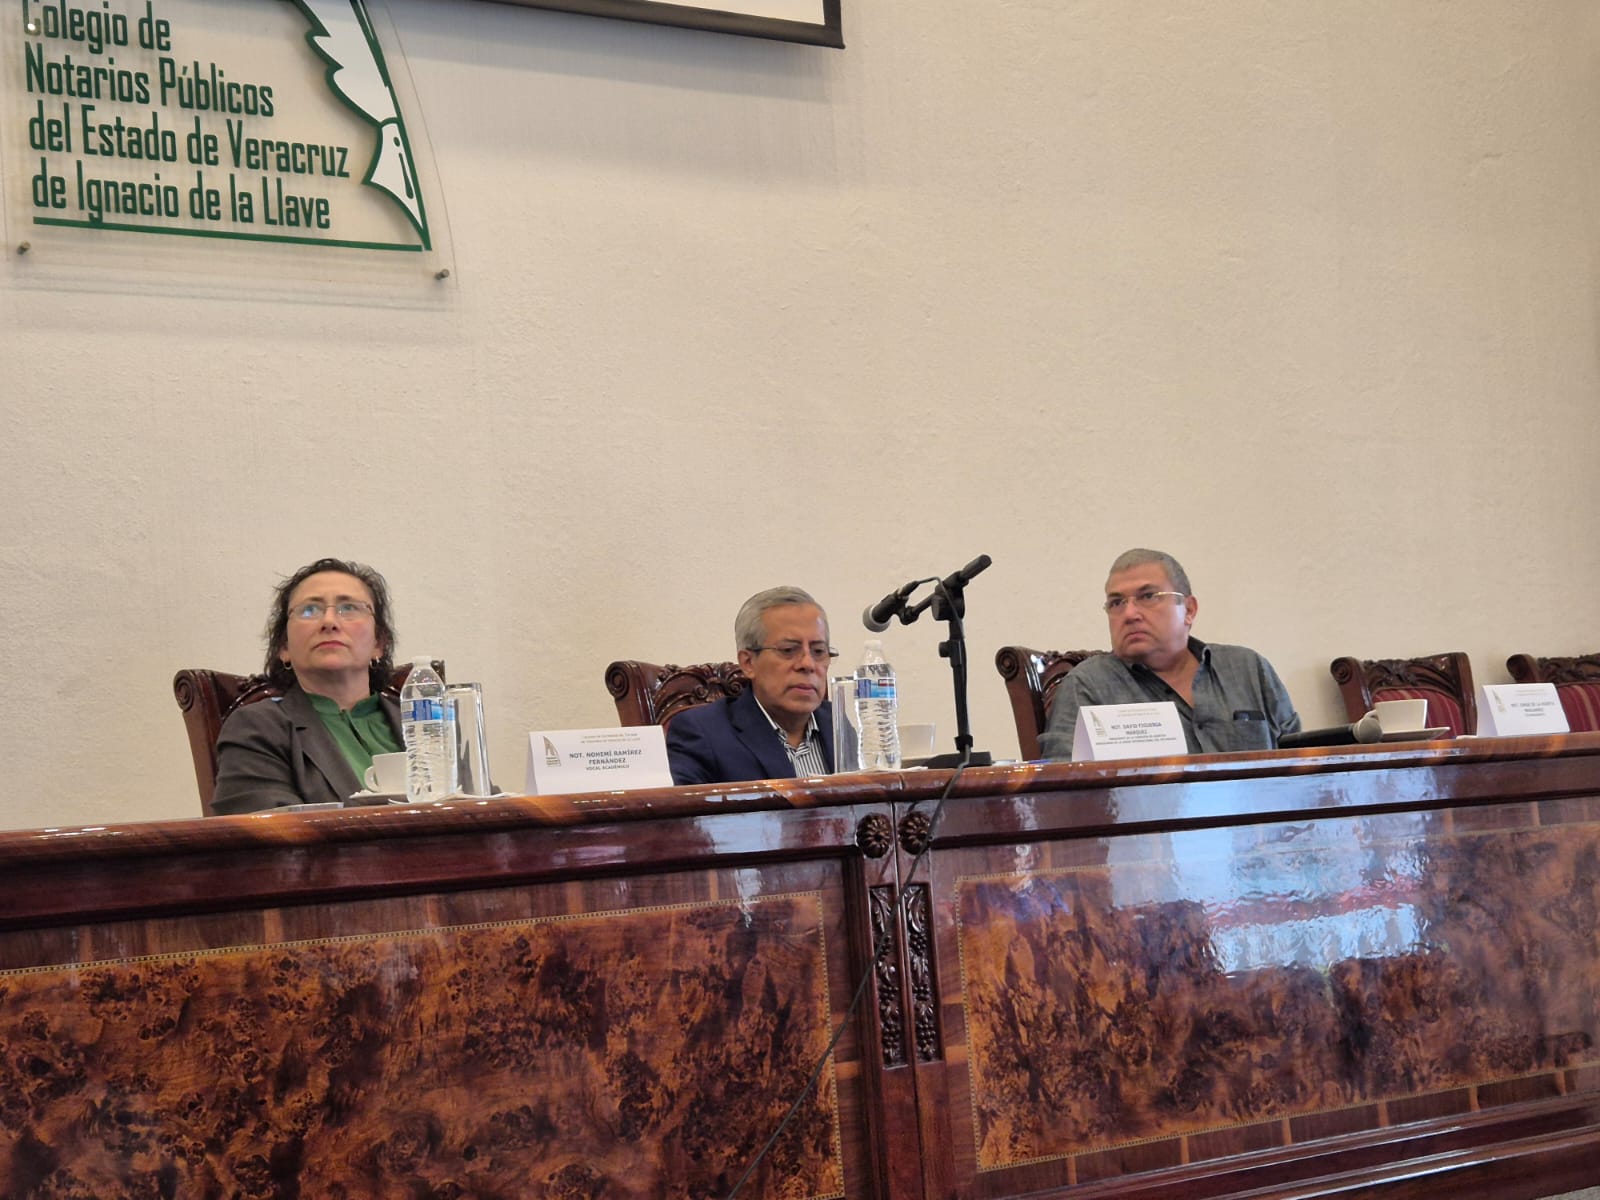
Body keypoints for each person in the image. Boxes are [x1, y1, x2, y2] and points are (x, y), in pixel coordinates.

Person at [1039, 548, 1301, 759]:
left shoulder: (1248, 669)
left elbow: (1301, 762)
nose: (1129, 614)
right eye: (1117, 602)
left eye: (1148, 596)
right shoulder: (1088, 685)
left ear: (1189, 610)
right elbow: (1063, 782)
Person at [212, 557, 404, 814]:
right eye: (309, 610)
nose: (329, 621)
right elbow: (264, 833)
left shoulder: (426, 722)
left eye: (349, 608)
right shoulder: (257, 728)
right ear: (284, 647)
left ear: (379, 643)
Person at [667, 586, 838, 786]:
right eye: (788, 650)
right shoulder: (703, 734)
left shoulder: (843, 725)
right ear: (748, 663)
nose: (808, 664)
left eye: (818, 651)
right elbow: (687, 806)